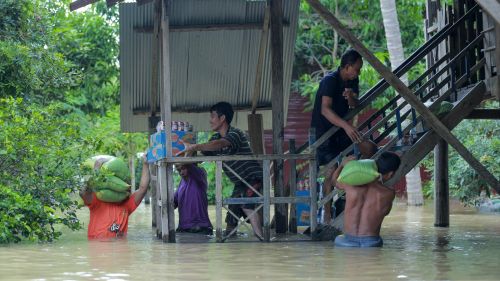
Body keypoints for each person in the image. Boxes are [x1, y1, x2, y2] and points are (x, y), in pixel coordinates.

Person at [178, 102, 263, 240]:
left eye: (212, 116)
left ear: (222, 118)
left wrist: (194, 146)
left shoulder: (235, 133)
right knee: (231, 218)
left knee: (247, 205)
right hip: (239, 182)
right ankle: (231, 244)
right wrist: (184, 156)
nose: (210, 120)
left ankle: (262, 239)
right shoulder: (215, 138)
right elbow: (201, 157)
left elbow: (220, 144)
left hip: (254, 177)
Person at [310, 48, 364, 223]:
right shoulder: (330, 81)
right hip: (325, 132)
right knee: (331, 170)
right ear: (347, 67)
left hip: (341, 131)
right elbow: (325, 110)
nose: (358, 73)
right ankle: (326, 213)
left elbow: (355, 104)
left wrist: (350, 98)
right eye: (356, 69)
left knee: (353, 160)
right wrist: (347, 126)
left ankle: (343, 201)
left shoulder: (353, 81)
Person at [333, 152, 401, 247]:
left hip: (346, 242)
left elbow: (334, 181)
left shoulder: (350, 185)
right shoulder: (389, 193)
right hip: (371, 243)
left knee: (339, 239)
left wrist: (342, 165)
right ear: (391, 174)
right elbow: (385, 212)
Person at [80, 155, 150, 239]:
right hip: (97, 247)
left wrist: (145, 164)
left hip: (119, 249)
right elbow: (83, 192)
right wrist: (96, 171)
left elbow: (143, 188)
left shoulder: (127, 206)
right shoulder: (97, 201)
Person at [174, 163, 213, 235]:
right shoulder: (182, 182)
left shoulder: (200, 175)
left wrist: (182, 159)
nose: (181, 172)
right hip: (184, 229)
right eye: (179, 170)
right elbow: (174, 202)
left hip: (200, 228)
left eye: (183, 169)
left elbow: (190, 165)